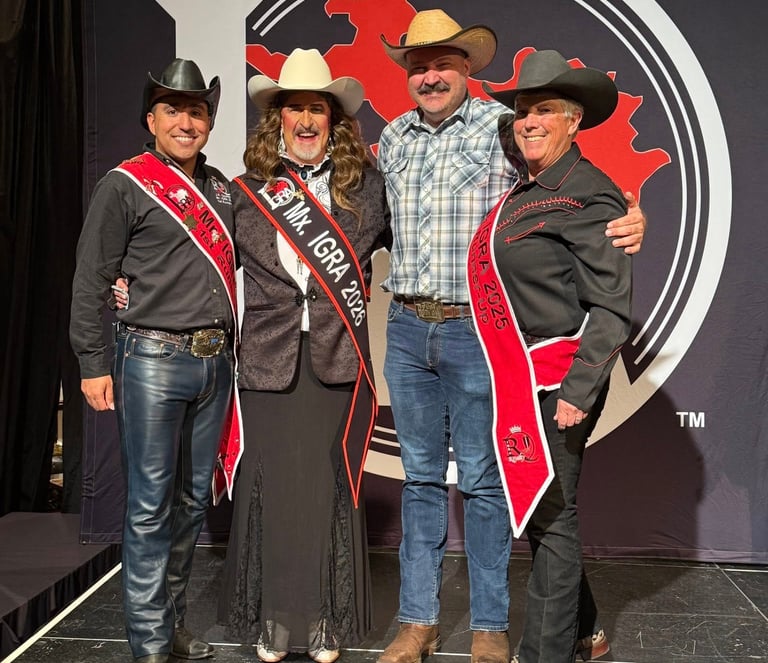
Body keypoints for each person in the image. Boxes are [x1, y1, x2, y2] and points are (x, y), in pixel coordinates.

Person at [375, 10, 643, 663]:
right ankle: (418, 622)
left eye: (443, 62)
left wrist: (635, 213)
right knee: (417, 480)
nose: (430, 74)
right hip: (408, 327)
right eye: (418, 64)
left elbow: (574, 181)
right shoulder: (391, 138)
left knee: (487, 481)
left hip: (479, 332)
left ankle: (491, 626)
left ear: (469, 68)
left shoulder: (503, 127)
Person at [215, 48, 391, 663]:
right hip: (264, 363)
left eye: (317, 107)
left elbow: (431, 238)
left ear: (332, 119)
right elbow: (195, 259)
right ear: (278, 120)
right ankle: (273, 618)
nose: (306, 119)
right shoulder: (243, 193)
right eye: (296, 109)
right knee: (268, 487)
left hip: (337, 362)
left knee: (326, 489)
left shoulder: (367, 188)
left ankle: (323, 618)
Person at [70, 59, 236, 663]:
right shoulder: (124, 184)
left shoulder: (220, 189)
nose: (186, 121)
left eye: (196, 111)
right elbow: (92, 279)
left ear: (210, 122)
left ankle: (171, 624)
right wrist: (93, 360)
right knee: (149, 505)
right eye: (173, 109)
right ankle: (148, 644)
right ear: (151, 119)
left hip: (215, 366)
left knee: (193, 503)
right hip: (152, 359)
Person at [469, 49, 632, 663]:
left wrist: (578, 391)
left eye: (544, 111)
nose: (529, 121)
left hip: (559, 380)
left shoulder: (591, 196)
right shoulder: (527, 188)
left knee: (553, 519)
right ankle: (585, 633)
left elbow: (612, 307)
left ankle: (544, 653)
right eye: (522, 112)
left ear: (574, 120)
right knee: (543, 511)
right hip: (522, 376)